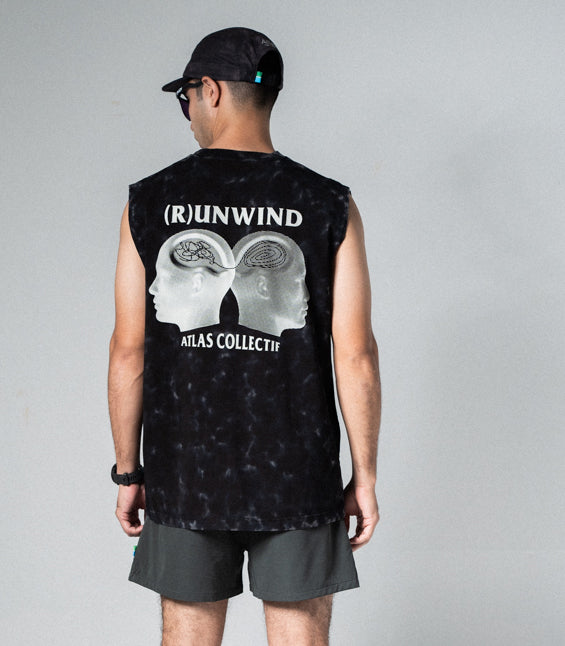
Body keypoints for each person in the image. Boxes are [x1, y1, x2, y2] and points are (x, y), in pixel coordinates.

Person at [108, 27, 381, 646]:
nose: (187, 112)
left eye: (185, 98)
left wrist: (128, 472)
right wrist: (364, 475)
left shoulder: (150, 202)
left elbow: (129, 351)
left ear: (208, 91)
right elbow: (356, 354)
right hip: (298, 471)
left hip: (186, 470)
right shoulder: (328, 203)